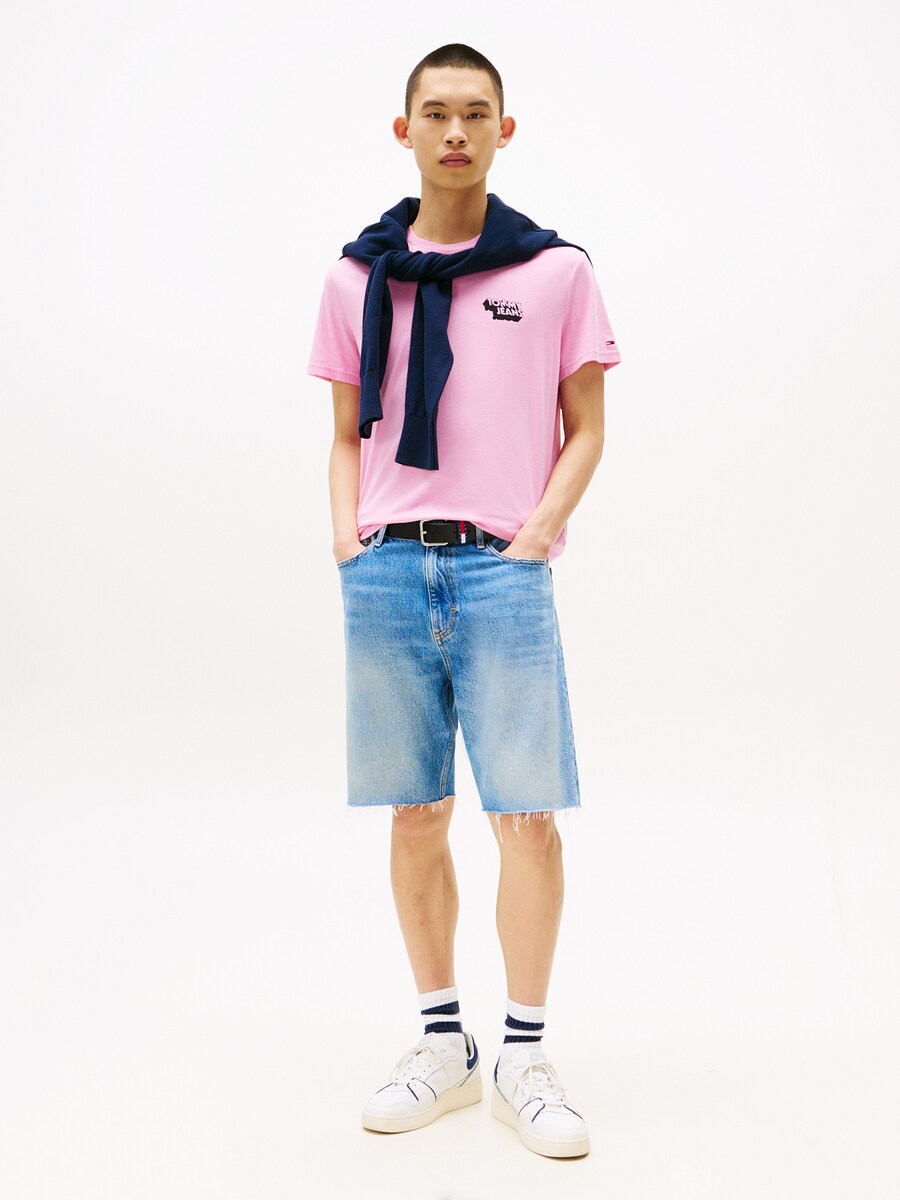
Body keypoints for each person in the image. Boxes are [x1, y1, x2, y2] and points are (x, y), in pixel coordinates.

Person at [306, 43, 621, 1160]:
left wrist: (533, 538)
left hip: (501, 567)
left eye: (475, 113)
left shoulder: (556, 272)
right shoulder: (356, 278)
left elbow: (587, 428)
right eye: (435, 113)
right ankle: (444, 1044)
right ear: (404, 131)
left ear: (504, 129)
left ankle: (524, 1054)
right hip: (387, 568)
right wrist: (348, 541)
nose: (455, 131)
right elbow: (345, 432)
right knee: (414, 811)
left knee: (526, 814)